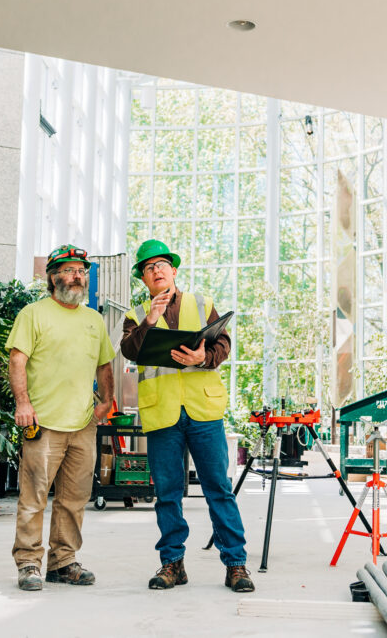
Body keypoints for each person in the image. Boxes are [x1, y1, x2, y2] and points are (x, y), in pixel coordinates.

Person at [120, 239, 254, 593]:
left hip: (203, 411)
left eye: (162, 264)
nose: (156, 270)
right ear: (144, 280)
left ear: (174, 271)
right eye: (149, 268)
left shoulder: (202, 303)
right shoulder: (135, 316)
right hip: (162, 414)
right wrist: (149, 319)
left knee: (218, 489)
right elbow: (130, 351)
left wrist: (203, 358)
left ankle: (236, 565)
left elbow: (222, 343)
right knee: (167, 493)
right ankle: (172, 564)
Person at [8, 243, 115, 591]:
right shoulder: (33, 314)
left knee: (74, 498)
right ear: (53, 277)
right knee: (34, 497)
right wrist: (23, 403)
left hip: (83, 423)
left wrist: (107, 401)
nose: (77, 276)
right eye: (69, 270)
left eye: (82, 271)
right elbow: (17, 361)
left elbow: (104, 363)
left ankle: (63, 561)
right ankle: (28, 563)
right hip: (43, 422)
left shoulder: (93, 319)